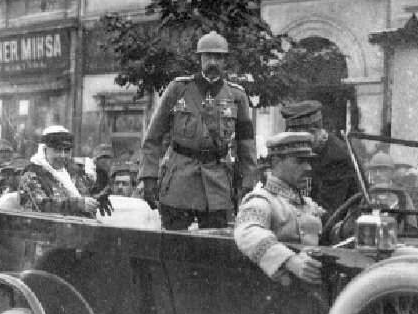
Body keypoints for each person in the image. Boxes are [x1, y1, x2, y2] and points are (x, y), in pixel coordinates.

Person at [139, 31, 257, 230]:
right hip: (179, 181)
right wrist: (148, 176)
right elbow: (153, 136)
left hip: (217, 183)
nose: (212, 62)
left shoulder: (237, 95)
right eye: (207, 56)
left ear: (225, 61)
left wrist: (249, 179)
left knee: (214, 246)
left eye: (218, 57)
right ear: (199, 59)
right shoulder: (178, 89)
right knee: (174, 244)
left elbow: (246, 142)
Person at [234, 132, 324, 285]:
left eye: (308, 161)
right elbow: (248, 232)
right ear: (276, 162)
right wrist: (290, 261)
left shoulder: (307, 203)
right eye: (299, 161)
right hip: (277, 289)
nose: (308, 167)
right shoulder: (262, 199)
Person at [280, 100, 360, 222]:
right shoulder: (310, 150)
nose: (293, 147)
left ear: (312, 133)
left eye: (297, 141)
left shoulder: (337, 158)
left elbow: (328, 214)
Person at [18, 125, 112, 217]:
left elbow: (85, 196)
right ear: (44, 150)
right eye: (57, 151)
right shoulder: (32, 174)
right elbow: (41, 206)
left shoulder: (73, 173)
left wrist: (98, 199)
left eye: (66, 151)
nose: (62, 156)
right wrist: (77, 204)